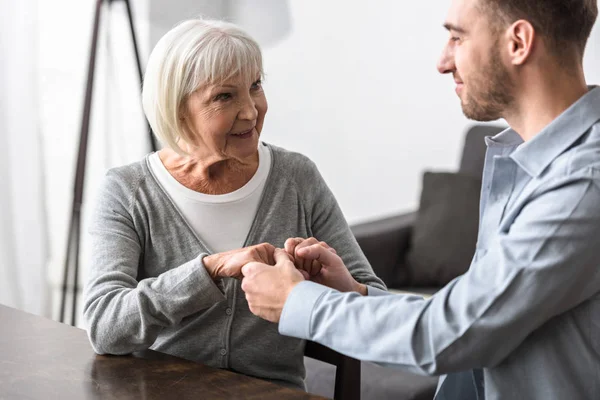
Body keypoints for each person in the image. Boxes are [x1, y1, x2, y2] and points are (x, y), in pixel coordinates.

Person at [241, 0, 600, 398]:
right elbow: (477, 312)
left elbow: (449, 334)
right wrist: (355, 295)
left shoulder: (582, 184)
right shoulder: (530, 157)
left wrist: (297, 301)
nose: (443, 62)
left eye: (457, 37)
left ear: (518, 42)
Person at [82, 18, 385, 390]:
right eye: (225, 96)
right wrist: (209, 270)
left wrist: (341, 289)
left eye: (255, 85)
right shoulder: (128, 190)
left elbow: (377, 304)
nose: (251, 111)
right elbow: (105, 326)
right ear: (177, 109)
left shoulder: (297, 178)